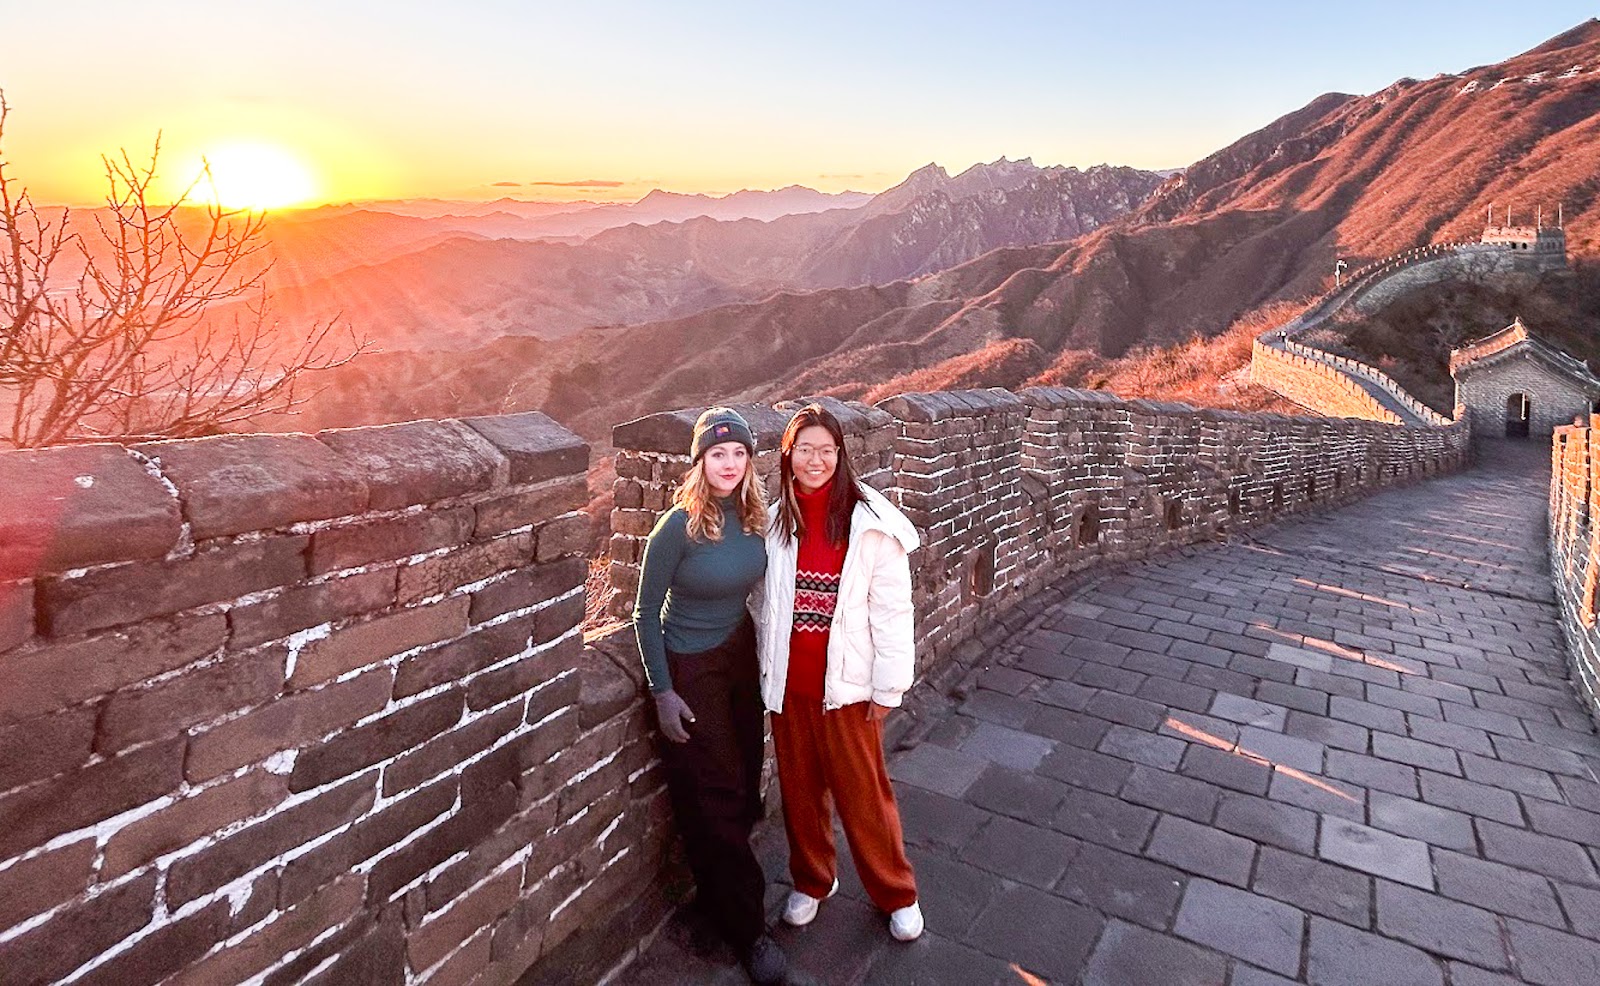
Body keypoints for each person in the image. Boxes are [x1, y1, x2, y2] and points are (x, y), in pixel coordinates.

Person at [755, 403, 925, 942]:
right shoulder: (775, 519)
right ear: (788, 455)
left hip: (848, 686)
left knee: (864, 794)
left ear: (841, 455)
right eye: (803, 449)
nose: (815, 460)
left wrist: (889, 686)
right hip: (790, 683)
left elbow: (893, 611)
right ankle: (813, 879)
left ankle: (896, 892)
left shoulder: (871, 522)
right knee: (800, 792)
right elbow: (762, 600)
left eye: (826, 450)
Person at [634, 407, 788, 984]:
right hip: (690, 662)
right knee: (717, 790)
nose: (728, 464)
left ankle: (715, 898)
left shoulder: (754, 519)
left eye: (739, 454)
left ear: (751, 462)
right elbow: (644, 614)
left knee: (745, 778)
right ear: (700, 462)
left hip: (736, 653)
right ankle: (751, 934)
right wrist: (663, 691)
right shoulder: (677, 527)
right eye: (717, 454)